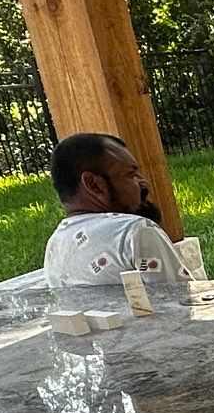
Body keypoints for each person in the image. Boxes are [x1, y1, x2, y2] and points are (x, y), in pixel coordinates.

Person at [44, 131, 190, 313]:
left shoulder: (55, 245)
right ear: (93, 184)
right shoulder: (135, 231)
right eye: (131, 174)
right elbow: (184, 306)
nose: (143, 183)